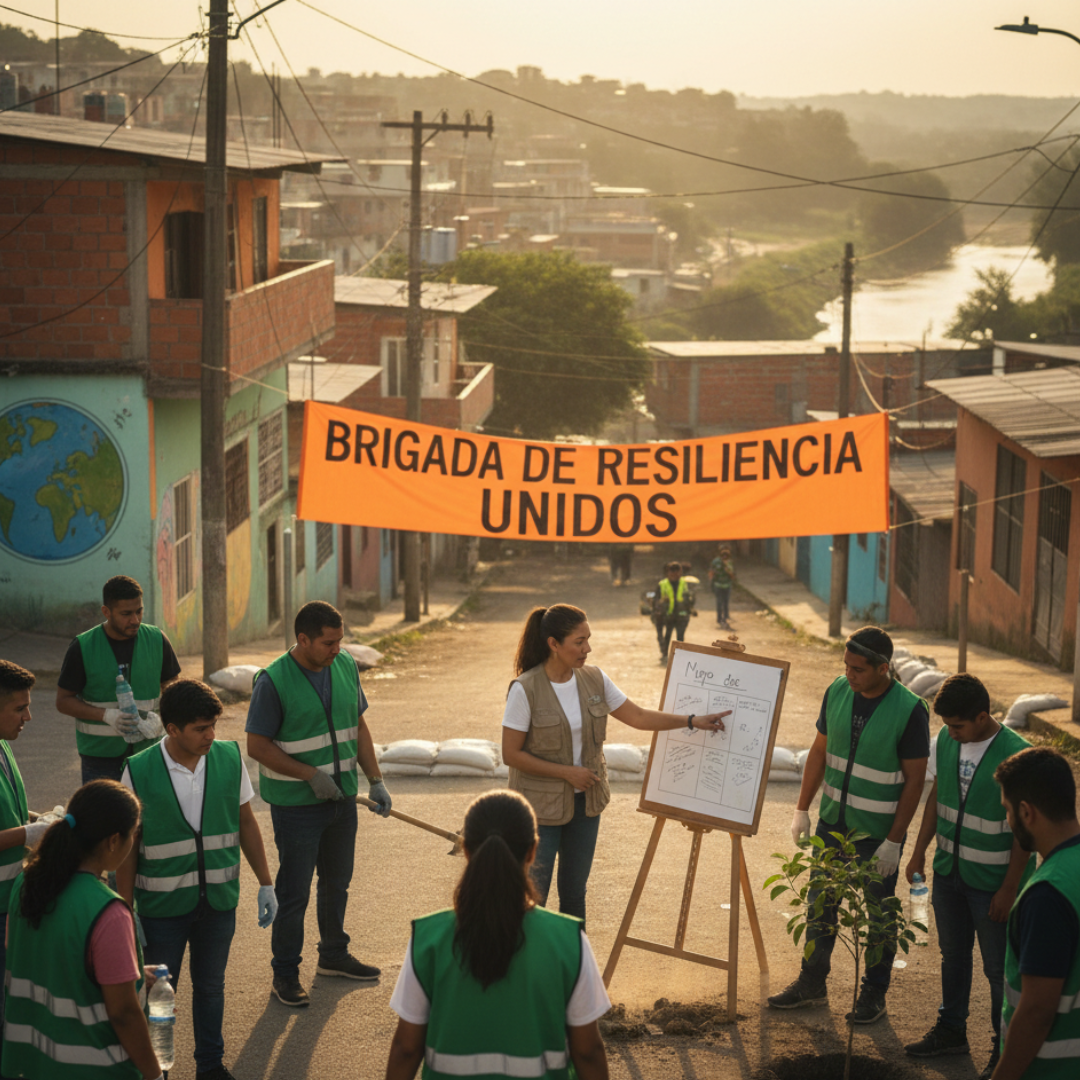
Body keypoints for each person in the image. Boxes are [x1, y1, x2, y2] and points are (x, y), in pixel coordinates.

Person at [502, 603, 729, 927]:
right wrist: (568, 773)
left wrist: (692, 720)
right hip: (539, 810)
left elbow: (637, 716)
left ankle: (575, 969)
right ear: (553, 644)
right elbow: (511, 754)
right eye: (579, 642)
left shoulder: (595, 679)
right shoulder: (526, 689)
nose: (587, 648)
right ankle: (526, 969)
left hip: (587, 805)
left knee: (574, 894)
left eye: (588, 639)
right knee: (533, 897)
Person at [385, 790, 610, 1080]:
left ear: (465, 851)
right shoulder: (568, 940)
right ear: (533, 851)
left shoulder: (428, 939)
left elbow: (406, 1048)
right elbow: (588, 1051)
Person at [768, 625, 930, 1023]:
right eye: (846, 665)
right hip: (832, 826)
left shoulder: (909, 710)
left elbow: (915, 780)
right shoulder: (838, 690)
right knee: (820, 906)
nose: (849, 674)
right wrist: (802, 808)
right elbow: (819, 752)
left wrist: (894, 841)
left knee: (878, 916)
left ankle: (873, 994)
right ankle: (811, 983)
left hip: (876, 835)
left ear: (883, 668)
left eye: (858, 668)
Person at [118, 678, 277, 1080]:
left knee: (211, 989)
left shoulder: (227, 757)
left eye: (213, 726)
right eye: (200, 728)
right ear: (172, 729)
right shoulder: (137, 770)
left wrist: (265, 881)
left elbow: (245, 821)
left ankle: (210, 1066)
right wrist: (123, 908)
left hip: (218, 903)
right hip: (160, 911)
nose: (210, 735)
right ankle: (160, 1069)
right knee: (159, 997)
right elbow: (127, 847)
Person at [246, 600, 392, 1007]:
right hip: (296, 806)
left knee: (336, 882)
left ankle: (333, 954)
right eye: (328, 643)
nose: (336, 649)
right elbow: (256, 745)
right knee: (295, 893)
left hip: (342, 799)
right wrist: (309, 775)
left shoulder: (343, 665)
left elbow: (357, 724)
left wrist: (375, 780)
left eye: (340, 641)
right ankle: (285, 974)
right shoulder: (273, 682)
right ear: (303, 639)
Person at [902, 674, 1033, 1079]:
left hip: (993, 884)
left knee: (999, 971)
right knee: (953, 957)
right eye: (947, 726)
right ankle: (951, 1031)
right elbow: (938, 794)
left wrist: (1010, 887)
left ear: (982, 717)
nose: (951, 734)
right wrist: (920, 849)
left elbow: (1025, 831)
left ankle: (1004, 1046)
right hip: (949, 875)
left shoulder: (1018, 755)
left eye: (958, 726)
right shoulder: (946, 740)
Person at [2, 780, 162, 1080]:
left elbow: (34, 956)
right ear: (114, 841)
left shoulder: (26, 883)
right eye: (134, 834)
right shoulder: (109, 911)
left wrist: (129, 971)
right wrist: (154, 1074)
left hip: (32, 1064)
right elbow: (124, 1013)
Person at [993, 746, 1080, 1080]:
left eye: (1007, 810)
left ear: (1026, 812)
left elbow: (1037, 1011)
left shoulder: (1047, 894)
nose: (1007, 820)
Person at [56, 575, 180, 784]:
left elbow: (173, 688)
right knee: (105, 816)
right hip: (100, 757)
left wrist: (163, 720)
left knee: (150, 816)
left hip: (149, 751)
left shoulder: (157, 639)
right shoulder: (83, 646)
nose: (135, 620)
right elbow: (63, 701)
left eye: (139, 611)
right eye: (126, 614)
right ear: (106, 612)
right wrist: (106, 715)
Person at [0, 661, 50, 1066]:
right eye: (19, 709)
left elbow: (9, 813)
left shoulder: (2, 745)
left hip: (9, 901)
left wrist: (39, 821)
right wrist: (28, 836)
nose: (28, 717)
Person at [652, 561, 695, 662]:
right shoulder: (662, 584)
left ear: (680, 572)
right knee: (667, 635)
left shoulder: (684, 583)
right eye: (672, 573)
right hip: (668, 615)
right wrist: (661, 604)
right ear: (668, 573)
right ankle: (665, 653)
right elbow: (656, 600)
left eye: (677, 572)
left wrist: (690, 607)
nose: (675, 575)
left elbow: (690, 597)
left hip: (682, 614)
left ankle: (679, 655)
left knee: (680, 636)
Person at [708, 545, 736, 629]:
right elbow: (711, 572)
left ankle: (725, 617)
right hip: (718, 585)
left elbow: (732, 576)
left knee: (726, 602)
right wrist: (711, 581)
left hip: (727, 585)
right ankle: (719, 618)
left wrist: (727, 568)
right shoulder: (715, 562)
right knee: (719, 602)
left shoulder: (730, 562)